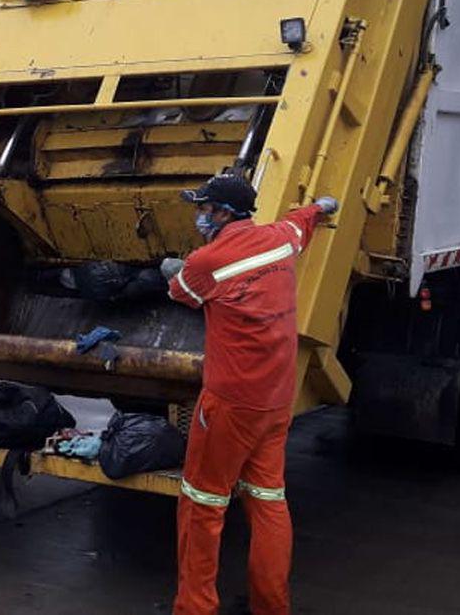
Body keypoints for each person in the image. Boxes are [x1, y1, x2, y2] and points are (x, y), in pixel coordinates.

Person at [161, 173, 337, 615]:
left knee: (203, 502)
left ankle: (194, 607)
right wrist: (321, 207)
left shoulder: (206, 261)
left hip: (229, 404)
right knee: (267, 499)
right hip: (277, 399)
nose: (199, 215)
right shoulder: (280, 239)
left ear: (224, 213)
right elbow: (301, 222)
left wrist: (170, 269)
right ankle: (271, 606)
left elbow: (179, 291)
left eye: (203, 209)